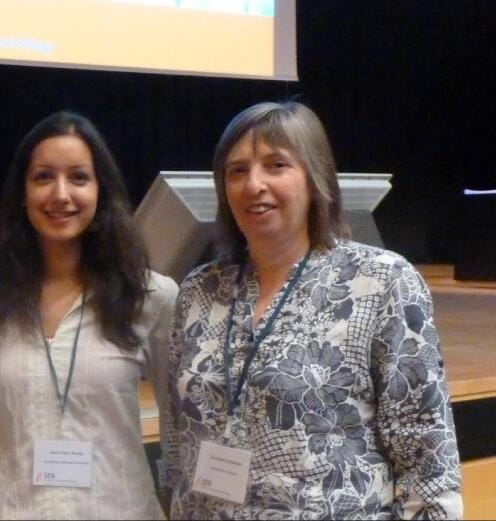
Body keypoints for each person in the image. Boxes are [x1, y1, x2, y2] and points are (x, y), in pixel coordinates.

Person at [163, 101, 463, 519]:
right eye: (237, 171)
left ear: (314, 177)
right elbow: (177, 440)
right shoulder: (199, 290)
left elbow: (426, 455)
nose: (254, 184)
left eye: (276, 165)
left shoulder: (380, 281)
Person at [0, 111, 178, 520]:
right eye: (43, 177)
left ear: (100, 190)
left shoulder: (150, 297)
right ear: (22, 192)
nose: (61, 194)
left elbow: (179, 427)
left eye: (78, 177)